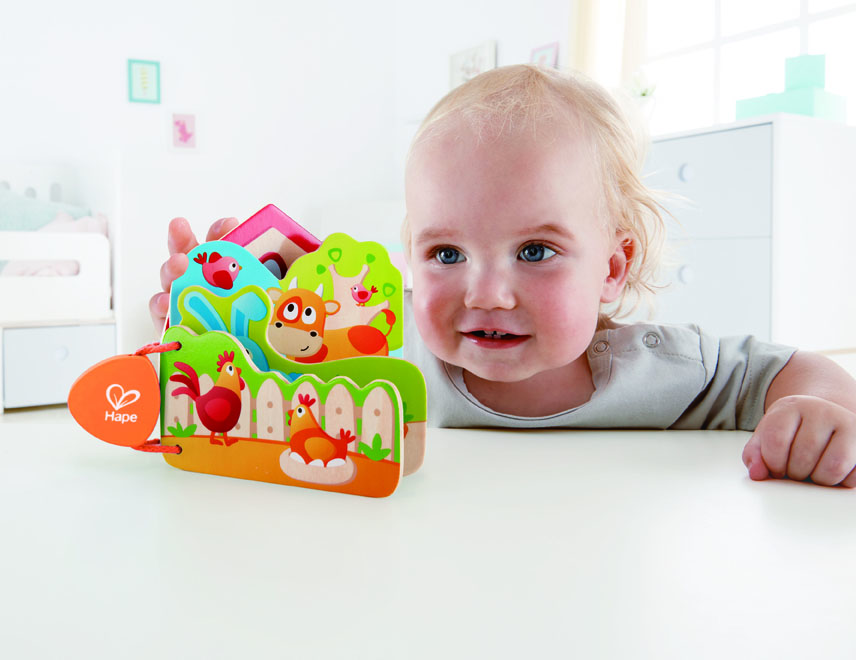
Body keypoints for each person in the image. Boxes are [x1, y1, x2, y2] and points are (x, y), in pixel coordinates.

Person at [150, 64, 856, 488]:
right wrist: (217, 324)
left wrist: (819, 414)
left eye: (536, 251)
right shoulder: (385, 358)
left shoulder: (666, 372)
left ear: (613, 268)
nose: (486, 294)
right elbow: (269, 380)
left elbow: (791, 371)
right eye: (446, 255)